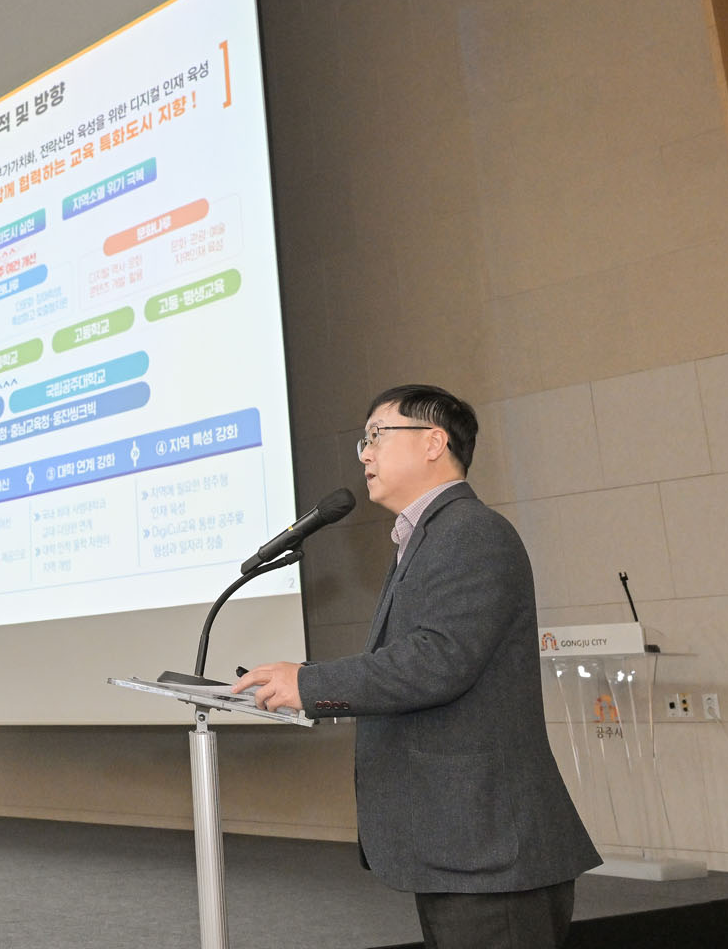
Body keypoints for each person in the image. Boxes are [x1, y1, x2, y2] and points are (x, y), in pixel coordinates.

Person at [231, 384, 599, 949]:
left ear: (433, 443)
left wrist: (309, 683)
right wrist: (306, 681)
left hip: (490, 849)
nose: (365, 454)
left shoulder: (470, 531)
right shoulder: (428, 537)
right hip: (463, 846)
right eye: (364, 441)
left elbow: (438, 660)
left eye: (377, 435)